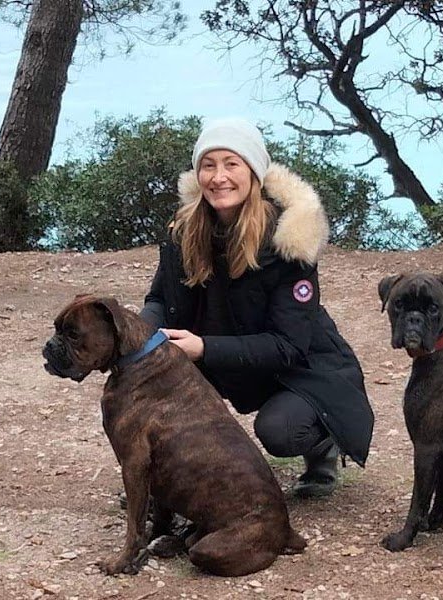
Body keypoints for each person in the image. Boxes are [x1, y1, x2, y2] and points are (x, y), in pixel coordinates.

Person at [139, 118, 374, 497]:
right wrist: (142, 335)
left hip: (302, 368)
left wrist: (203, 348)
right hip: (226, 354)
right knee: (156, 385)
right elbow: (160, 299)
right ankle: (166, 483)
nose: (219, 177)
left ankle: (321, 448)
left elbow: (288, 346)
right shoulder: (183, 230)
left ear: (254, 173)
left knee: (279, 431)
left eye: (232, 164)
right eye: (208, 165)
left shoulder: (287, 242)